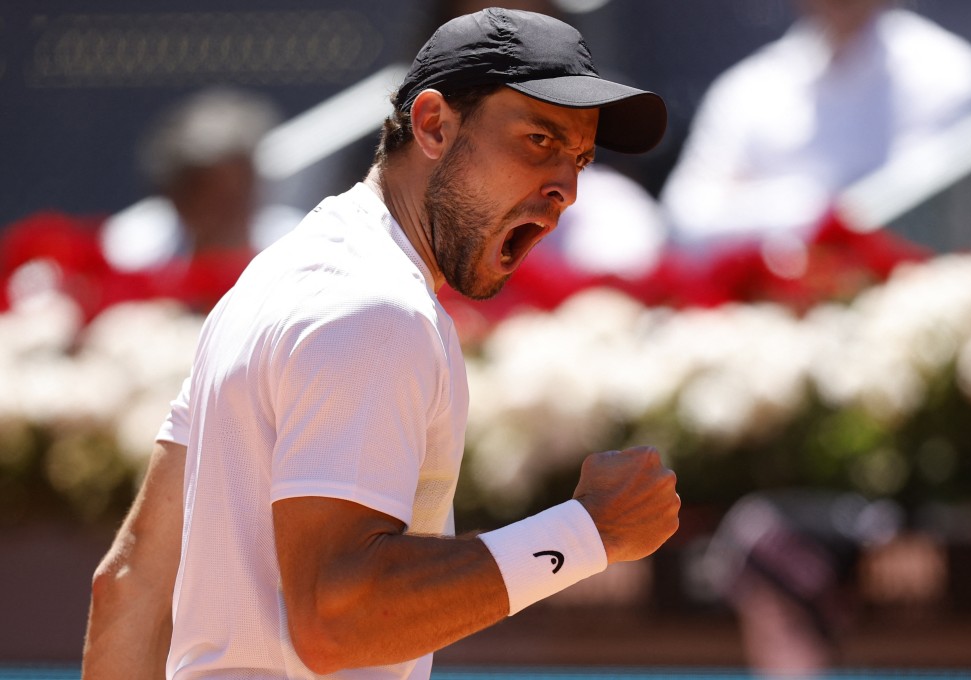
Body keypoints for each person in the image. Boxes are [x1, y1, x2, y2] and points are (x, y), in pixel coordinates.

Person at [82, 8, 679, 679]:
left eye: (580, 158)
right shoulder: (374, 307)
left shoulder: (277, 277)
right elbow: (337, 619)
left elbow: (131, 582)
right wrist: (586, 532)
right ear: (433, 126)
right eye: (540, 140)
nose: (566, 189)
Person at [659, 0, 971, 261]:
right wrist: (814, 206)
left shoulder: (948, 71)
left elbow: (913, 215)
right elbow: (686, 217)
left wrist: (755, 202)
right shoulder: (748, 87)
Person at [99, 87, 303, 309]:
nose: (234, 211)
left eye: (242, 192)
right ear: (177, 196)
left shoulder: (297, 243)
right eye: (217, 199)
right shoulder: (129, 247)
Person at [703, 489, 902, 677]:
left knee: (795, 624)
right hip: (748, 538)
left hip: (743, 535)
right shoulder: (851, 539)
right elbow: (819, 591)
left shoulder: (847, 535)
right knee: (790, 625)